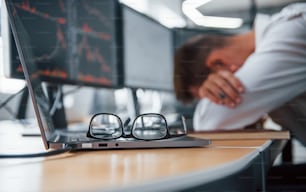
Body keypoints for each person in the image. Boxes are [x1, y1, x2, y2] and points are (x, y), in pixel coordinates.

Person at [173, 3, 306, 136]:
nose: (214, 98)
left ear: (217, 63)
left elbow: (208, 123)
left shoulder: (288, 33)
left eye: (211, 92)